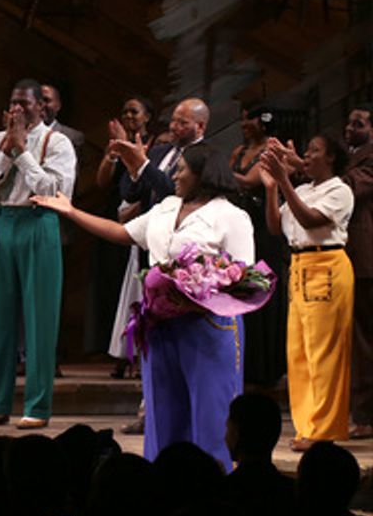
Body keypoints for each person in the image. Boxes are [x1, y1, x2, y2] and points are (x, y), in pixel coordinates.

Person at [32, 144, 253, 470]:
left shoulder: (231, 216)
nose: (175, 174)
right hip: (161, 324)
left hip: (208, 326)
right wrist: (71, 212)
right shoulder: (166, 207)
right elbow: (123, 232)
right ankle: (163, 485)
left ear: (202, 173)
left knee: (211, 415)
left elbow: (243, 275)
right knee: (163, 414)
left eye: (182, 168)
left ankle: (212, 487)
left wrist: (198, 296)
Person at [0, 79, 76, 430]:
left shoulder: (57, 143)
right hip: (4, 223)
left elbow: (54, 190)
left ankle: (37, 406)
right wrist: (5, 152)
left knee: (39, 318)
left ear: (41, 107)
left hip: (39, 223)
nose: (18, 110)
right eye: (13, 104)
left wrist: (22, 153)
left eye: (25, 104)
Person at [107, 97, 212, 434]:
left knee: (172, 337)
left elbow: (177, 195)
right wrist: (133, 162)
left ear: (201, 127)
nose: (174, 127)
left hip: (181, 259)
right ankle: (149, 409)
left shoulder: (204, 157)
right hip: (149, 248)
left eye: (183, 122)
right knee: (147, 331)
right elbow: (131, 190)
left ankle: (165, 413)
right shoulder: (158, 152)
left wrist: (145, 167)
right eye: (174, 120)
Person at [259, 134, 354, 451]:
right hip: (299, 268)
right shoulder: (301, 190)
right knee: (298, 354)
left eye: (314, 150)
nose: (306, 155)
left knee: (323, 353)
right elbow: (276, 227)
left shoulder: (340, 190)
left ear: (331, 158)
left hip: (326, 266)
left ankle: (324, 430)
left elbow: (311, 219)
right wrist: (273, 187)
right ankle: (307, 426)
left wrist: (284, 179)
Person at [230, 105, 287, 389]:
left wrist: (217, 172)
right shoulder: (238, 152)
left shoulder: (272, 151)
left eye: (250, 118)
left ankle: (266, 364)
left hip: (265, 224)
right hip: (243, 221)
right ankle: (246, 361)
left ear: (264, 122)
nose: (244, 124)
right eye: (243, 118)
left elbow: (249, 181)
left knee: (263, 284)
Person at [98, 97, 154, 384]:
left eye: (135, 111)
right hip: (116, 217)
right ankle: (120, 352)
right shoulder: (116, 145)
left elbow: (152, 183)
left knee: (137, 289)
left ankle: (136, 353)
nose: (129, 116)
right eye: (125, 112)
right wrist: (113, 153)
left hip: (142, 217)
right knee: (118, 288)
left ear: (147, 117)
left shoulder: (155, 145)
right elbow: (101, 181)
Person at [343, 103, 373, 439]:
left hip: (365, 260)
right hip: (353, 261)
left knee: (364, 341)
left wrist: (309, 169)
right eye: (349, 122)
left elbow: (349, 190)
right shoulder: (354, 157)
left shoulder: (369, 157)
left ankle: (365, 415)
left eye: (359, 123)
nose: (350, 127)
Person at [40, 83, 85, 152]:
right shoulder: (21, 133)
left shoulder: (72, 137)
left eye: (46, 100)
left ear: (58, 105)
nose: (41, 105)